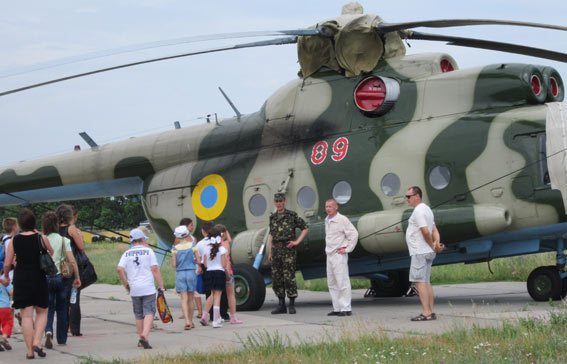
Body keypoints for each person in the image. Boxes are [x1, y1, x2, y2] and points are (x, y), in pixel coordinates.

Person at [3, 209, 53, 359]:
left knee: (26, 316)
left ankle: (30, 351)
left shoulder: (15, 240)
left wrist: (6, 275)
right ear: (34, 223)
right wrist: (39, 236)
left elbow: (7, 262)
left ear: (20, 224)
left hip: (21, 279)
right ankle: (37, 342)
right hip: (39, 278)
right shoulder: (41, 238)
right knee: (43, 311)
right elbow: (51, 252)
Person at [117, 228, 164, 349]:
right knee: (149, 312)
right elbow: (154, 269)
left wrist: (125, 283)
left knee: (138, 314)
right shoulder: (148, 251)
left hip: (134, 288)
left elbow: (119, 269)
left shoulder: (126, 253)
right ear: (143, 239)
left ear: (131, 241)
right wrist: (161, 284)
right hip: (147, 287)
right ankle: (144, 335)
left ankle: (140, 338)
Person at [404, 186, 445, 321]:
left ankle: (426, 312)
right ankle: (431, 311)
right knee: (426, 281)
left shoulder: (418, 211)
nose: (406, 199)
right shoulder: (427, 209)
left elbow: (425, 231)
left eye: (408, 196)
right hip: (427, 252)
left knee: (419, 282)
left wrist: (432, 245)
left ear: (417, 196)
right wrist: (436, 244)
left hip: (419, 251)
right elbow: (435, 230)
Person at [41, 211, 81, 348]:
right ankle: (62, 338)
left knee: (48, 307)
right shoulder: (64, 240)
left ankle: (48, 331)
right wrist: (77, 277)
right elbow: (72, 260)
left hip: (46, 278)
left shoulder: (41, 239)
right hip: (62, 278)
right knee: (62, 308)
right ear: (56, 224)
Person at [268, 192, 309, 314]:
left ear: (284, 202)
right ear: (275, 202)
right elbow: (271, 235)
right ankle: (281, 305)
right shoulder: (272, 217)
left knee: (289, 277)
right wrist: (270, 252)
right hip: (276, 250)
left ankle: (291, 304)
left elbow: (305, 227)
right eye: (277, 202)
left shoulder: (291, 215)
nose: (279, 204)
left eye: (281, 201)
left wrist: (297, 242)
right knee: (277, 278)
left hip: (288, 250)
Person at [324, 198, 359, 317]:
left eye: (330, 206)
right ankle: (337, 307)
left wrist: (347, 249)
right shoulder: (327, 220)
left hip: (339, 255)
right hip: (329, 255)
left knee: (342, 281)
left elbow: (353, 234)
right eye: (326, 207)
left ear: (336, 207)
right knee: (332, 282)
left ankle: (346, 307)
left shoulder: (342, 220)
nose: (328, 209)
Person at [56, 204, 86, 336]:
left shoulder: (54, 229)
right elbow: (81, 247)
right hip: (71, 267)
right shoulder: (71, 229)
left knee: (62, 299)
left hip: (58, 266)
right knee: (73, 298)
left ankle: (62, 327)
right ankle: (74, 329)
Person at [199, 227, 227, 328]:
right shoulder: (222, 249)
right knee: (218, 296)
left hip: (209, 273)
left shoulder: (206, 249)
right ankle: (215, 320)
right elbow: (224, 264)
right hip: (219, 272)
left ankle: (206, 316)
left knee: (212, 294)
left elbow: (205, 264)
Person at [171, 225, 198, 330]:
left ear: (177, 237)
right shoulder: (192, 245)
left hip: (180, 273)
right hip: (191, 272)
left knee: (184, 298)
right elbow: (198, 259)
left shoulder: (175, 248)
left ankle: (186, 320)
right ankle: (191, 321)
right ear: (187, 234)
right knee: (191, 298)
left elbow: (174, 264)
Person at [215, 224, 242, 324]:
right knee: (231, 295)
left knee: (214, 295)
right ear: (224, 234)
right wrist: (226, 231)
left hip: (216, 272)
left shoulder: (214, 244)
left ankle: (207, 315)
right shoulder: (225, 244)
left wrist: (223, 232)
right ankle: (233, 317)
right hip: (227, 272)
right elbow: (230, 242)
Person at [176, 218, 203, 319]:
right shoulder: (185, 240)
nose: (192, 227)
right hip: (191, 266)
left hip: (186, 267)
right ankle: (187, 313)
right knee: (189, 292)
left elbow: (175, 255)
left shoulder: (193, 238)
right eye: (191, 225)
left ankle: (198, 311)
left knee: (190, 292)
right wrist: (199, 264)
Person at [0, 276, 13, 351]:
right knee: (7, 323)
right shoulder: (4, 280)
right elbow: (11, 292)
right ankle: (4, 338)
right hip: (4, 307)